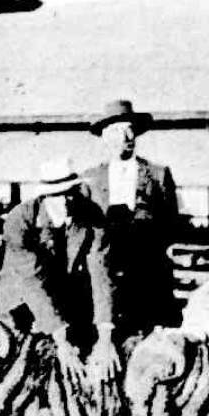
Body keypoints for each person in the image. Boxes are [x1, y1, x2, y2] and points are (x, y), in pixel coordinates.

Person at [0, 157, 119, 383]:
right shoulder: (19, 220)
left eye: (70, 192)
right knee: (25, 364)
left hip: (64, 296)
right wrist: (61, 340)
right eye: (56, 195)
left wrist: (105, 336)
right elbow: (34, 281)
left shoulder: (92, 216)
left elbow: (102, 274)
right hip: (22, 297)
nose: (65, 201)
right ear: (44, 196)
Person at [82, 99, 179, 336]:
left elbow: (170, 224)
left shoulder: (158, 175)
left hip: (148, 276)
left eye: (130, 130)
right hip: (104, 277)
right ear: (105, 137)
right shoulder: (91, 179)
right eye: (117, 131)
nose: (126, 137)